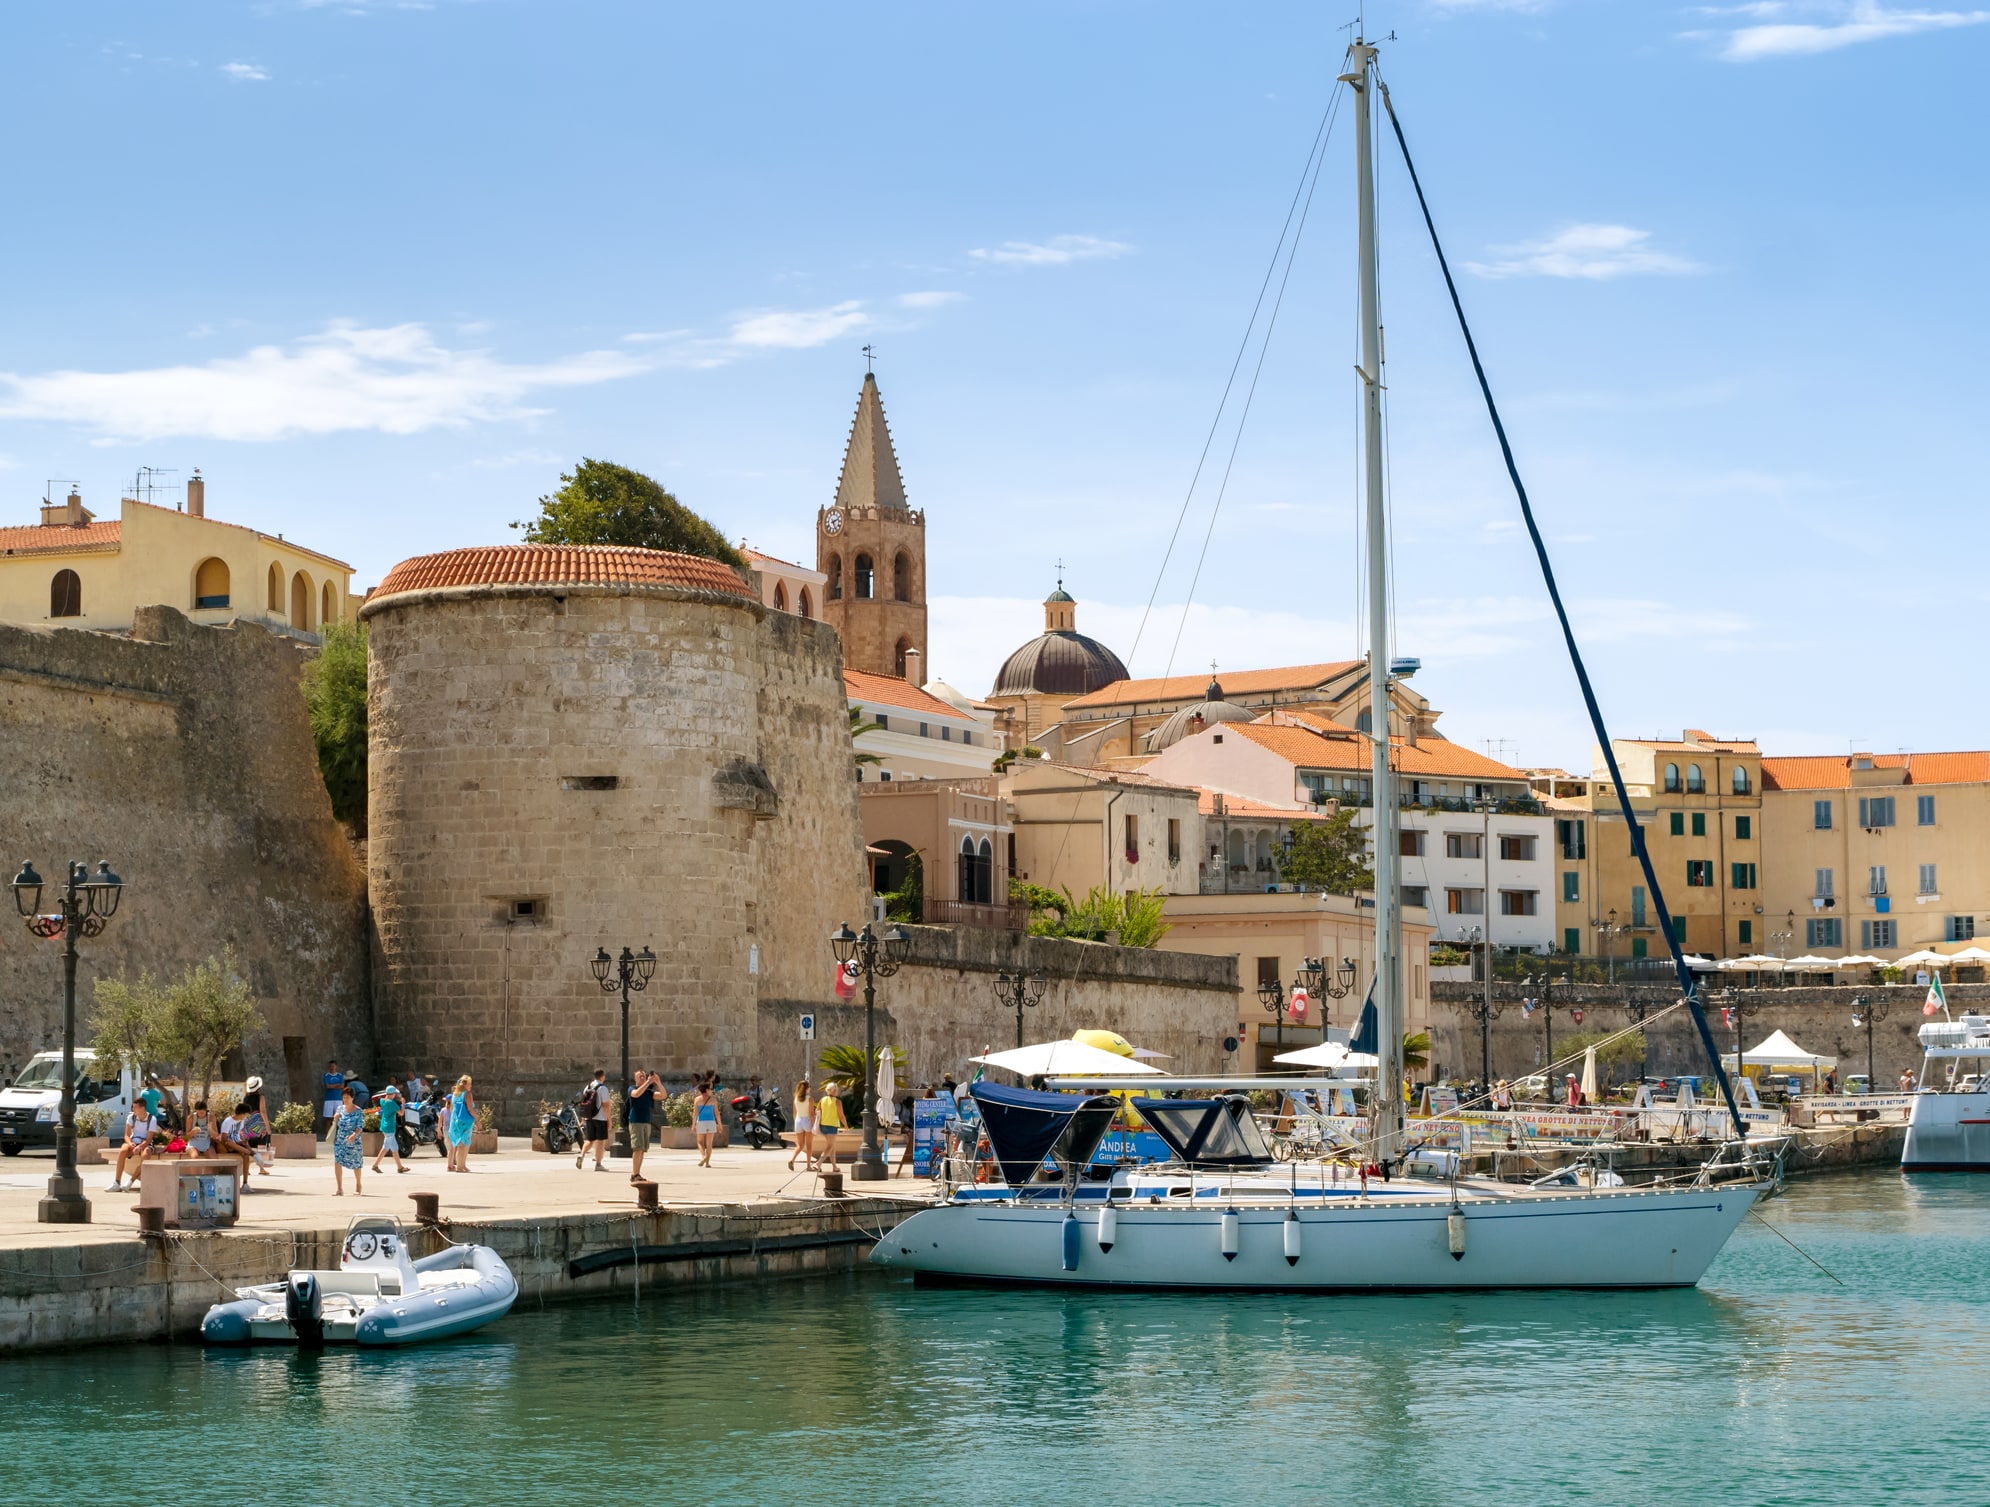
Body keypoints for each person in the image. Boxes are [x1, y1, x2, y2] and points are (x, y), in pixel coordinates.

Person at [108, 1103, 159, 1192]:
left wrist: (140, 1147)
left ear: (142, 1108)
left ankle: (130, 1182)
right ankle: (116, 1182)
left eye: (135, 1107)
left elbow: (149, 1139)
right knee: (123, 1150)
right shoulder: (131, 1117)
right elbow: (126, 1135)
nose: (133, 1109)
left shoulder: (152, 1119)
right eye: (133, 1107)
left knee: (146, 1155)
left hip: (145, 1143)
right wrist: (130, 1143)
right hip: (133, 1142)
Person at [575, 1068, 611, 1171]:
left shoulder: (588, 1087)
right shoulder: (603, 1088)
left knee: (590, 1140)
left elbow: (584, 1104)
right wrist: (609, 1119)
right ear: (602, 1076)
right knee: (600, 1141)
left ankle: (582, 1155)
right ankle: (598, 1164)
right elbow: (606, 1105)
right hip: (601, 1118)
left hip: (589, 1118)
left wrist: (583, 1119)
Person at [331, 1085, 364, 1195]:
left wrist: (354, 1135)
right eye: (344, 1097)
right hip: (340, 1140)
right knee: (337, 1162)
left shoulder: (358, 1110)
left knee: (356, 1163)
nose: (345, 1100)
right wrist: (335, 1118)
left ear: (352, 1098)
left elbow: (360, 1126)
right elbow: (336, 1123)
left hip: (354, 1141)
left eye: (347, 1097)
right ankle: (339, 1188)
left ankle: (358, 1184)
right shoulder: (340, 1109)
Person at [626, 1069, 658, 1183]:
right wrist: (648, 1082)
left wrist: (658, 1082)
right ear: (635, 1079)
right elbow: (636, 1094)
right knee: (637, 1148)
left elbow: (663, 1095)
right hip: (636, 1122)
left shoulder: (649, 1091)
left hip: (646, 1122)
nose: (643, 1077)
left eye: (644, 1076)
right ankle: (634, 1174)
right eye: (640, 1076)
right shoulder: (632, 1089)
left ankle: (637, 1173)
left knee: (642, 1149)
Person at [371, 1082, 407, 1174]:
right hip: (390, 1127)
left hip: (385, 1126)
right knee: (386, 1148)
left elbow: (384, 1099)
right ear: (393, 1094)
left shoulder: (383, 1101)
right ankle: (375, 1165)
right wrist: (403, 1104)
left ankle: (399, 1167)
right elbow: (401, 1113)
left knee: (393, 1148)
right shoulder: (392, 1103)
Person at [446, 1075, 476, 1173]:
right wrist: (478, 1120)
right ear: (465, 1085)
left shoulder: (455, 1094)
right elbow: (470, 1109)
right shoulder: (467, 1094)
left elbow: (451, 1109)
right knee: (464, 1145)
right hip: (466, 1122)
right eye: (469, 1084)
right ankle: (460, 1166)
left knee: (463, 1143)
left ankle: (463, 1165)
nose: (471, 1086)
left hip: (456, 1121)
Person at [814, 1081, 845, 1170]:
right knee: (830, 1146)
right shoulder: (837, 1101)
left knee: (832, 1146)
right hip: (832, 1126)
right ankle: (818, 1163)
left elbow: (817, 1111)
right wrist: (846, 1126)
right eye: (837, 1090)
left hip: (823, 1125)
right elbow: (841, 1115)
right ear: (834, 1091)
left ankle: (834, 1166)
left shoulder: (822, 1100)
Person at [788, 1079, 815, 1171]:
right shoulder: (810, 1099)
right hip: (807, 1120)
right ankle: (808, 1166)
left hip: (798, 1121)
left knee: (800, 1145)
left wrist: (796, 1122)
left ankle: (792, 1160)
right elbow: (811, 1114)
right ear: (807, 1088)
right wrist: (814, 1125)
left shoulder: (796, 1099)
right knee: (809, 1145)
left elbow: (794, 1113)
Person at [693, 1079, 720, 1167]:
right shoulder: (713, 1100)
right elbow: (717, 1113)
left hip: (701, 1122)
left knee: (700, 1142)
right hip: (711, 1122)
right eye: (710, 1089)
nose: (711, 1091)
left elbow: (695, 1113)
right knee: (709, 1144)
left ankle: (703, 1156)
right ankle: (707, 1163)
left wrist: (693, 1125)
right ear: (707, 1090)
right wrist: (719, 1124)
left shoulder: (697, 1099)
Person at [320, 1059, 343, 1136]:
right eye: (330, 1066)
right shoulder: (326, 1075)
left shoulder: (340, 1075)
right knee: (328, 1118)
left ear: (336, 1066)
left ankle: (339, 1134)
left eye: (333, 1066)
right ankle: (327, 1134)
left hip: (338, 1099)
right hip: (329, 1099)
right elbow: (328, 1086)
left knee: (339, 1117)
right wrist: (337, 1085)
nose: (332, 1068)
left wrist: (333, 1086)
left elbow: (342, 1086)